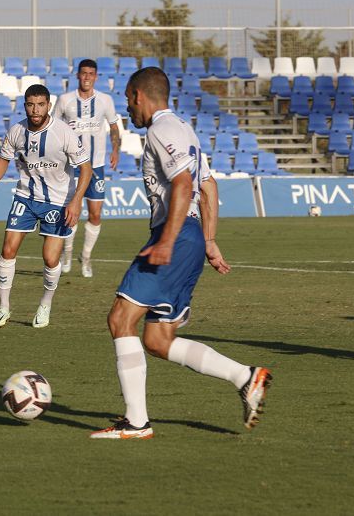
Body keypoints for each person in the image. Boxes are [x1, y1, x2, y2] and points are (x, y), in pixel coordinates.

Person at [90, 67, 271, 440]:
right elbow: (208, 186)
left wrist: (169, 240)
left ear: (139, 95)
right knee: (157, 339)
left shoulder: (160, 130)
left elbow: (185, 184)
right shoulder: (185, 130)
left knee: (120, 319)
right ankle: (245, 376)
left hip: (173, 237)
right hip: (189, 238)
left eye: (127, 99)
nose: (127, 108)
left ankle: (136, 423)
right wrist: (207, 240)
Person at [0, 83, 92, 329]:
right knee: (8, 250)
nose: (35, 109)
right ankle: (3, 307)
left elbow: (86, 168)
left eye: (40, 104)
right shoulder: (17, 131)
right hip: (25, 197)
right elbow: (3, 159)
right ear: (25, 106)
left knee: (51, 258)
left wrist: (76, 201)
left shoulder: (64, 133)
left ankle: (45, 304)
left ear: (48, 106)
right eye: (31, 104)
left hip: (59, 200)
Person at [51, 58, 121, 278]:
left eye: (91, 73)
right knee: (72, 212)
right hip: (72, 166)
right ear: (77, 75)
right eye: (83, 73)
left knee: (96, 214)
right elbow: (52, 128)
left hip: (97, 165)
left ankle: (87, 257)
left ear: (96, 76)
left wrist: (116, 149)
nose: (87, 77)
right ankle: (67, 253)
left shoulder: (105, 101)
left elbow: (114, 127)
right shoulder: (64, 100)